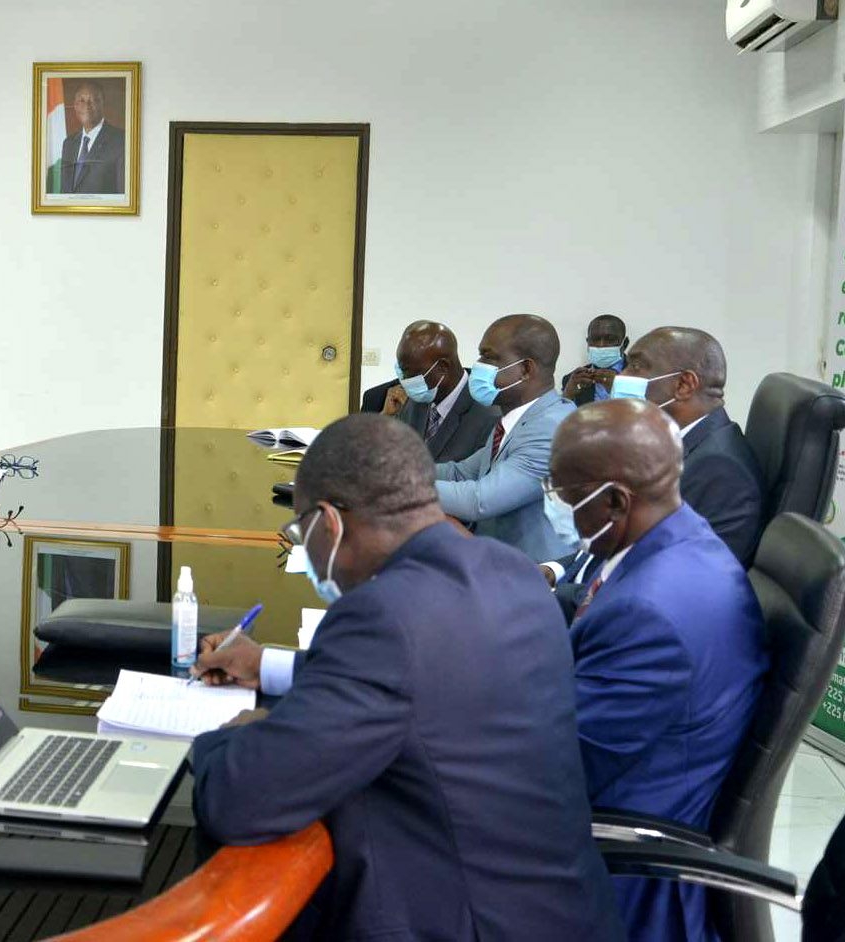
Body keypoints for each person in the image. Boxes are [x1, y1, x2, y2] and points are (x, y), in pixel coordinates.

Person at [187, 414, 623, 941]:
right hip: (564, 913)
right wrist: (269, 667)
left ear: (330, 523)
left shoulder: (382, 616)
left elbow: (240, 799)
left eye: (302, 531)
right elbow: (426, 682)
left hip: (462, 922)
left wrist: (225, 736)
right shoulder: (512, 571)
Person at [546, 399, 768, 942]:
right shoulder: (678, 541)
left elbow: (552, 770)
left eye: (563, 495)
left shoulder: (649, 614)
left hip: (620, 873)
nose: (555, 506)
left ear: (615, 501)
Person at [612, 326, 766, 564]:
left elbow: (678, 575)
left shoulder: (719, 470)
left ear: (684, 385)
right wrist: (556, 570)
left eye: (636, 366)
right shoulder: (676, 444)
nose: (621, 376)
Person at [433, 313, 577, 561]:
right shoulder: (517, 420)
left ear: (525, 369)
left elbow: (480, 500)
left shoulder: (551, 428)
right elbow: (460, 473)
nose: (478, 365)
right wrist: (394, 470)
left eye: (489, 357)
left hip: (536, 572)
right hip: (504, 563)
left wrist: (396, 488)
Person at [383, 320, 498, 462]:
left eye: (412, 374)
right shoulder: (417, 400)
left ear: (442, 367)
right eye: (403, 372)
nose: (405, 380)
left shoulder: (488, 416)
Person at [58, 81, 125, 193]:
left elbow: (124, 195)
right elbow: (64, 191)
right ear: (75, 105)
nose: (87, 106)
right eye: (82, 100)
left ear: (103, 104)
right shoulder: (69, 143)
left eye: (93, 100)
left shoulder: (121, 140)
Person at [561, 314, 630, 406]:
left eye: (610, 340)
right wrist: (568, 395)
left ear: (625, 344)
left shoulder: (641, 377)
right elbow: (563, 413)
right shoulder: (572, 380)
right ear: (588, 342)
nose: (601, 345)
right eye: (595, 339)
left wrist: (621, 390)